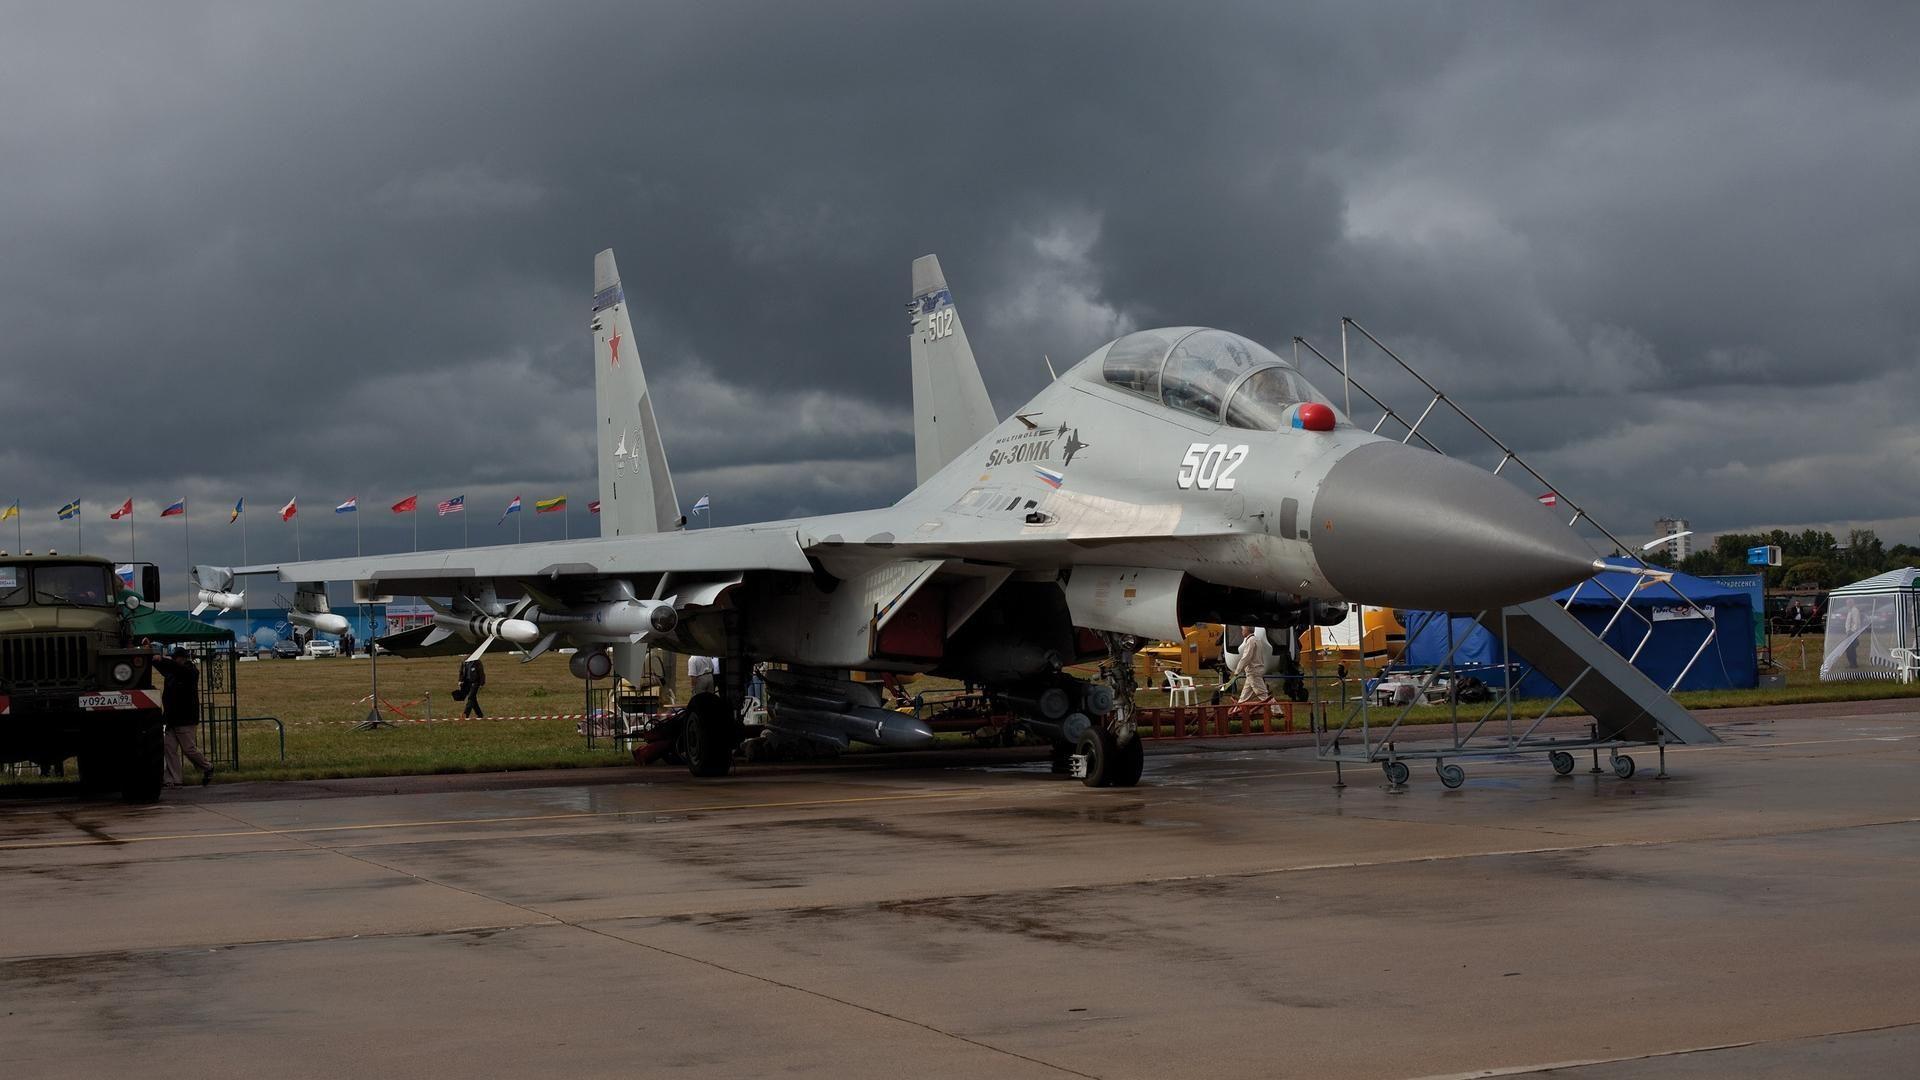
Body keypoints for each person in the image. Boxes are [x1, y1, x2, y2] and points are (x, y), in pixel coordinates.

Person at [150, 645, 213, 786]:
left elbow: (173, 667)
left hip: (186, 718)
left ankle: (207, 767)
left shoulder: (190, 672)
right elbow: (161, 665)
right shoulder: (172, 671)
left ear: (183, 658)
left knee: (189, 750)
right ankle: (174, 780)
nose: (174, 660)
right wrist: (150, 652)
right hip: (172, 719)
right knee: (169, 748)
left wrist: (162, 659)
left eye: (176, 658)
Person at [1232, 626, 1273, 704]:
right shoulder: (1257, 639)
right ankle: (1236, 709)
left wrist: (1237, 671)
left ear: (1247, 630)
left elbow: (1246, 657)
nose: (1242, 632)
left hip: (1253, 671)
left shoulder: (1251, 641)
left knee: (1263, 695)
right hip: (1254, 671)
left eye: (1243, 630)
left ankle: (1276, 710)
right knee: (1244, 696)